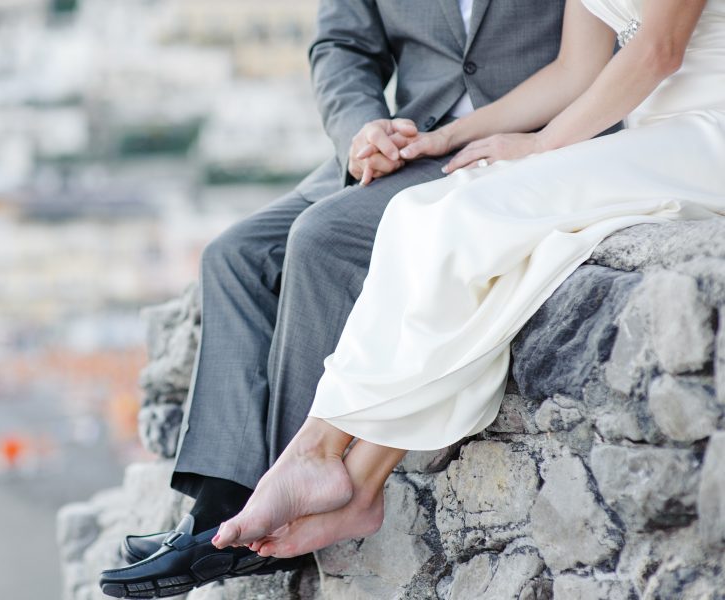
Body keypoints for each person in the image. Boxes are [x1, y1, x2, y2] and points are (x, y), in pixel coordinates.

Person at [210, 0, 725, 559]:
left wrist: (539, 145)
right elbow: (575, 71)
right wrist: (448, 137)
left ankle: (320, 454)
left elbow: (658, 50)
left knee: (469, 217)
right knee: (419, 214)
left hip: (705, 134)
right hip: (649, 138)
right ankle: (354, 481)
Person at [100, 1, 573, 597]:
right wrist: (362, 129)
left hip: (526, 139)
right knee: (235, 255)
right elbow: (342, 47)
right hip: (404, 143)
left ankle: (270, 515)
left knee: (321, 241)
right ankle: (219, 507)